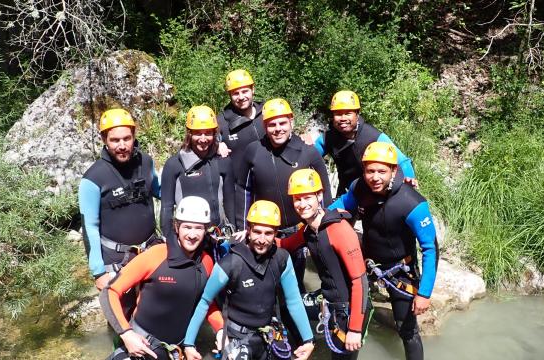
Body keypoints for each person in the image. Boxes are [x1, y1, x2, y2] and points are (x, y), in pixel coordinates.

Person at [329, 142, 439, 360]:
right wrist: (322, 216)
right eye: (370, 171)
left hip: (400, 272)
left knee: (406, 329)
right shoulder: (360, 187)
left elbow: (430, 248)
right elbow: (344, 203)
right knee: (352, 319)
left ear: (394, 171)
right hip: (367, 265)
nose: (375, 177)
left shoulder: (412, 203)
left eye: (382, 171)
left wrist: (425, 293)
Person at [183, 200, 315, 360]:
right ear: (248, 230)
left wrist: (308, 339)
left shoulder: (281, 259)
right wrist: (189, 344)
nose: (261, 239)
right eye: (257, 232)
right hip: (237, 338)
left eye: (268, 233)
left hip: (267, 335)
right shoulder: (230, 263)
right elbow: (204, 302)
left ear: (276, 233)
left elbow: (293, 301)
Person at [100, 196, 224, 360]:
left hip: (177, 350)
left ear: (206, 229)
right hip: (142, 345)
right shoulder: (156, 255)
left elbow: (206, 302)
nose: (192, 234)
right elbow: (109, 292)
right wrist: (126, 334)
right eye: (187, 227)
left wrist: (221, 329)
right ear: (176, 226)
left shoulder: (206, 262)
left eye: (198, 228)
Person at [235, 97, 332, 294]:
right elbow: (243, 189)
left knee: (293, 288)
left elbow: (325, 193)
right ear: (265, 126)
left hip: (299, 231)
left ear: (291, 122)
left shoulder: (308, 152)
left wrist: (325, 227)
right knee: (262, 286)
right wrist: (243, 227)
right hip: (264, 231)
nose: (277, 128)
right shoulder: (253, 151)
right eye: (272, 124)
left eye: (282, 123)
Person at [278, 169, 371, 360]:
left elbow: (360, 280)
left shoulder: (339, 230)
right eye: (297, 199)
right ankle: (304, 348)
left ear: (319, 196)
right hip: (327, 300)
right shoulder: (309, 231)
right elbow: (285, 245)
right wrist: (256, 236)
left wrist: (354, 329)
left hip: (348, 310)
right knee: (287, 308)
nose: (302, 204)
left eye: (307, 198)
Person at [78, 108, 161, 310]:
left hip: (150, 249)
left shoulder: (146, 162)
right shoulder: (93, 178)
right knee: (121, 315)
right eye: (115, 140)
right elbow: (90, 227)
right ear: (104, 139)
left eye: (127, 138)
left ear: (134, 136)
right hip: (116, 259)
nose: (122, 145)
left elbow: (163, 193)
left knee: (156, 310)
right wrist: (98, 272)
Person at [309, 90, 417, 197]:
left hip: (374, 192)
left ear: (357, 114)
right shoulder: (328, 138)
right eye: (338, 114)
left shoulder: (374, 136)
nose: (343, 118)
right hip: (346, 193)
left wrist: (408, 184)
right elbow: (309, 157)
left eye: (348, 113)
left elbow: (403, 162)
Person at [161, 105, 236, 243]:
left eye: (208, 133)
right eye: (197, 133)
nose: (203, 139)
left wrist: (234, 233)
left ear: (215, 134)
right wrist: (168, 240)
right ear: (189, 134)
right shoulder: (174, 165)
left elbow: (230, 201)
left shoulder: (223, 161)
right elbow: (167, 207)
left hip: (219, 236)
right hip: (189, 239)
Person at [216, 69, 266, 172]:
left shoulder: (267, 112)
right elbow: (201, 147)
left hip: (269, 182)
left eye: (245, 91)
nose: (241, 97)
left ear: (252, 90)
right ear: (229, 95)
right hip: (239, 185)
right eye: (235, 93)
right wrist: (215, 147)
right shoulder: (221, 122)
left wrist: (303, 139)